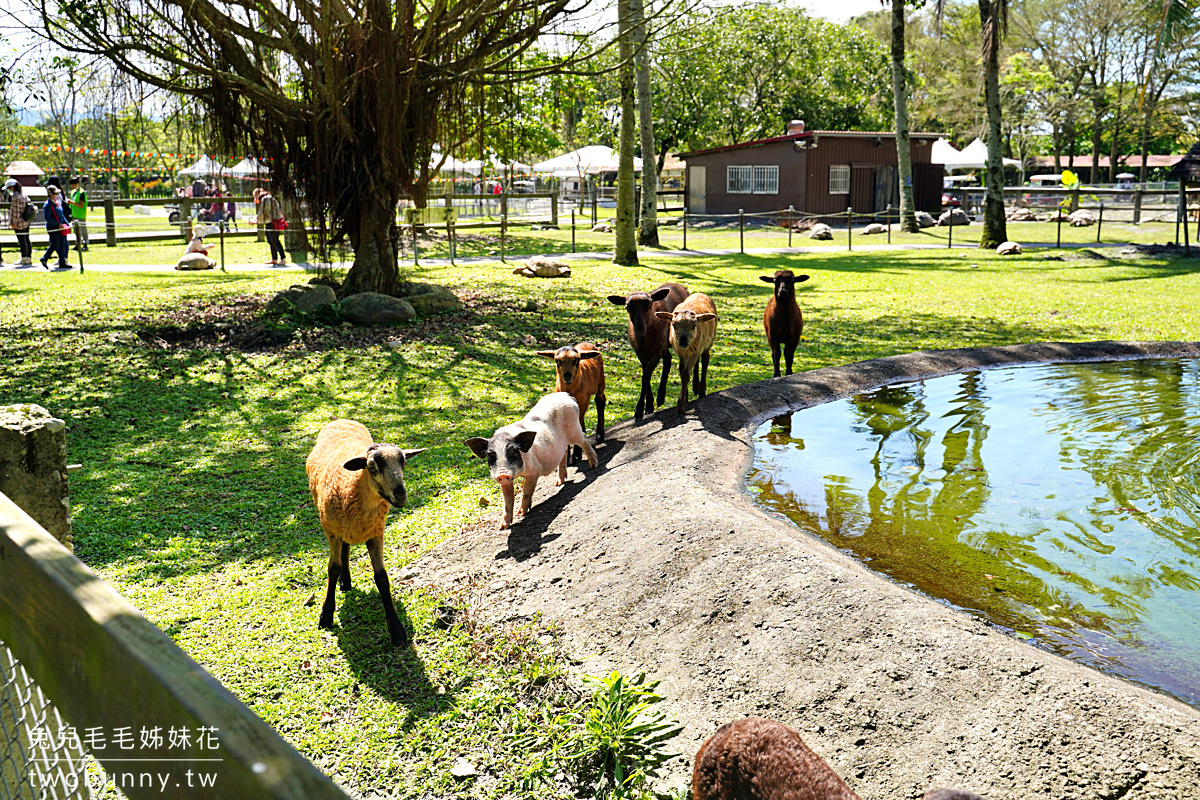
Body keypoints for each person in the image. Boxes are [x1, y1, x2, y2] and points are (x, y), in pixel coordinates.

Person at [41, 185, 71, 270]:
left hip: (61, 227)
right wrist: (57, 224)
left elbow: (62, 215)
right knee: (55, 244)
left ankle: (62, 262)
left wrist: (67, 224)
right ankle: (44, 258)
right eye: (55, 194)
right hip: (53, 228)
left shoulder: (57, 203)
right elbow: (48, 218)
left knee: (62, 244)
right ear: (51, 194)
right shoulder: (47, 205)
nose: (57, 195)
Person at [6, 179, 33, 266]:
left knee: (22, 240)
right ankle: (28, 257)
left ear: (12, 187)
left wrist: (13, 222)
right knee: (27, 239)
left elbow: (15, 212)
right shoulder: (23, 195)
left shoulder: (15, 197)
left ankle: (24, 257)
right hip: (26, 220)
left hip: (19, 222)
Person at [256, 189, 285, 264]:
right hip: (270, 222)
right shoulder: (270, 198)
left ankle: (283, 258)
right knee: (270, 241)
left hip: (272, 222)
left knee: (275, 240)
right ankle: (274, 258)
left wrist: (257, 219)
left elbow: (264, 211)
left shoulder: (266, 199)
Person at [67, 176, 88, 251]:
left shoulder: (82, 192)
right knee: (76, 231)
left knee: (83, 230)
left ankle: (85, 244)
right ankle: (78, 244)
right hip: (74, 214)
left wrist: (71, 202)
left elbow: (81, 205)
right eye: (71, 184)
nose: (72, 186)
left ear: (78, 184)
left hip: (80, 214)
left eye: (74, 184)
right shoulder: (73, 192)